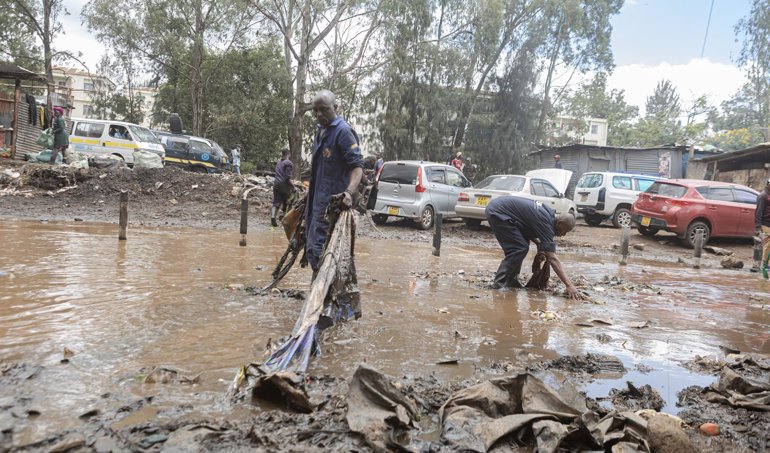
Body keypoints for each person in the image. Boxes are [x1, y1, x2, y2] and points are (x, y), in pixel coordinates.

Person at [305, 90, 364, 272]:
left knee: (321, 250)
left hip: (332, 205)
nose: (319, 114)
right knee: (311, 248)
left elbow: (357, 167)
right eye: (315, 111)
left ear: (335, 107)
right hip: (315, 201)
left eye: (323, 109)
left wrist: (349, 192)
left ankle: (323, 286)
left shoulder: (343, 132)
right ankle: (319, 285)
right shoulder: (320, 131)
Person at [485, 195, 581, 299]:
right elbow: (552, 258)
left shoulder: (549, 214)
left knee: (522, 245)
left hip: (501, 208)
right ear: (560, 223)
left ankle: (512, 281)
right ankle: (498, 284)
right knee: (519, 248)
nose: (563, 235)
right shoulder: (546, 223)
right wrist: (569, 285)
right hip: (498, 212)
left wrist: (538, 243)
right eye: (565, 230)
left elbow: (528, 226)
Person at [272, 148, 294, 227]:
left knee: (276, 202)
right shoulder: (288, 163)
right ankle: (285, 219)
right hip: (283, 185)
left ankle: (273, 217)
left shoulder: (278, 163)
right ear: (288, 154)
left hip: (276, 184)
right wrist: (293, 186)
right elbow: (287, 178)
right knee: (288, 201)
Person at [755, 178, 770, 271]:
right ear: (768, 184)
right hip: (765, 224)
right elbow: (759, 212)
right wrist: (757, 227)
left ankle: (766, 263)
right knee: (768, 244)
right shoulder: (763, 196)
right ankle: (764, 263)